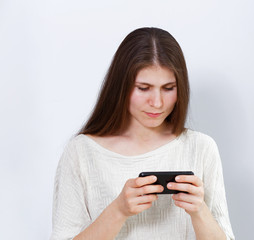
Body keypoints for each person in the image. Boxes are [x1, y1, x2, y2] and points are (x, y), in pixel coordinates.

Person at [51, 27, 235, 240]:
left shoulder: (202, 148)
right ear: (121, 86)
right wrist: (119, 210)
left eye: (168, 88)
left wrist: (199, 211)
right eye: (143, 88)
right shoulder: (81, 152)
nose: (157, 102)